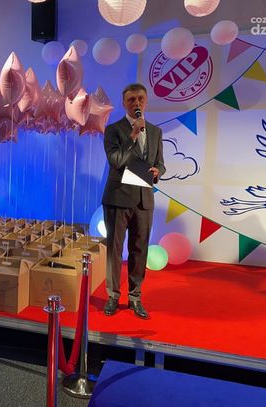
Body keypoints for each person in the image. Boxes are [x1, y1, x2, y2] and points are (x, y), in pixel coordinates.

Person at [101, 83, 165, 319]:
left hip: (143, 199)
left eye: (140, 99)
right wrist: (133, 135)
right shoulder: (113, 130)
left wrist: (158, 172)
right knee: (115, 250)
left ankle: (135, 297)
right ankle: (113, 295)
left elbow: (160, 163)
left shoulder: (156, 132)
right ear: (124, 103)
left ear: (146, 102)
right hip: (118, 198)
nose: (136, 103)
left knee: (139, 250)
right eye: (131, 100)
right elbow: (116, 161)